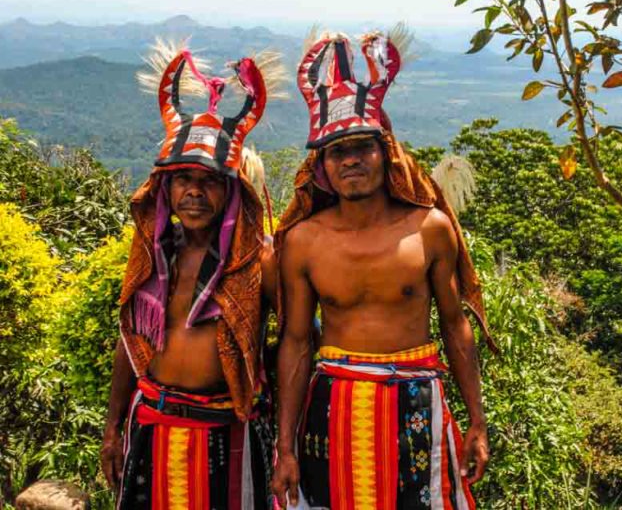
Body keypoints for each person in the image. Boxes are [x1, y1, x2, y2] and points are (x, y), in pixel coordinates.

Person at [271, 28, 497, 510]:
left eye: (362, 147)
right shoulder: (303, 242)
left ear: (385, 152)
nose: (351, 160)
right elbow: (295, 340)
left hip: (418, 401)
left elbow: (455, 325)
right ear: (322, 166)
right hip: (332, 409)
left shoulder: (430, 229)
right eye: (337, 151)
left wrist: (476, 421)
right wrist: (285, 446)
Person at [100, 41, 283, 509]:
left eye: (208, 181)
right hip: (151, 428)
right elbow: (131, 342)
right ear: (166, 188)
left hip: (229, 435)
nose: (194, 193)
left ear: (231, 190)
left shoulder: (260, 260)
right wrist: (113, 427)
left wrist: (286, 433)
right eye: (183, 180)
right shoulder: (153, 259)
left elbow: (299, 341)